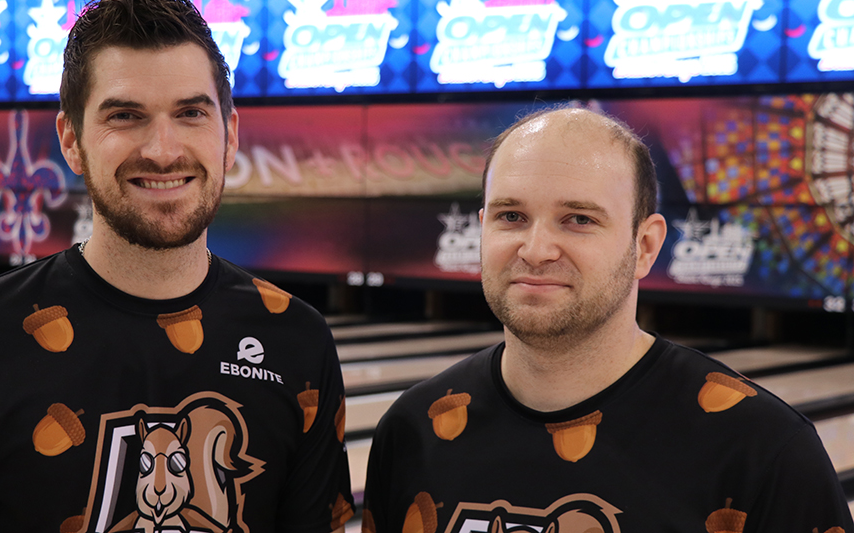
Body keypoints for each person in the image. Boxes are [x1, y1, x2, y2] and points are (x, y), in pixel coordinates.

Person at [0, 0, 352, 533]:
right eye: (125, 115)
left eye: (191, 113)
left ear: (230, 134)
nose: (163, 149)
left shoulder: (297, 341)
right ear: (71, 140)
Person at [361, 107, 853, 533]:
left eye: (579, 219)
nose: (536, 250)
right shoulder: (413, 431)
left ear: (645, 246)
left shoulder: (763, 450)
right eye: (511, 216)